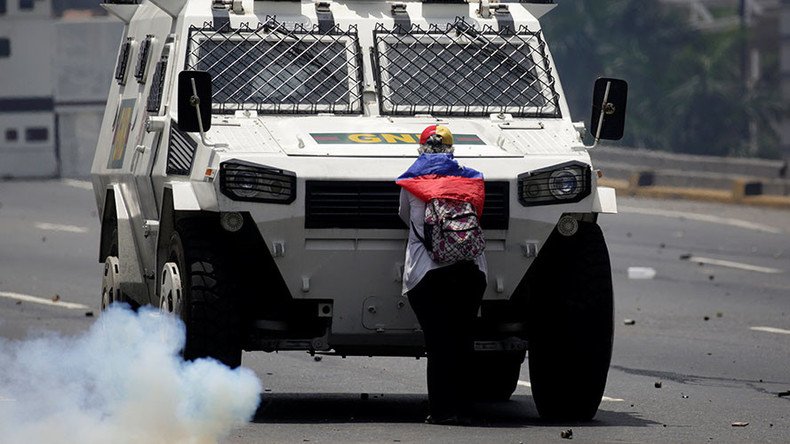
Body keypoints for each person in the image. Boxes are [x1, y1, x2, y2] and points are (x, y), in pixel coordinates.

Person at [396, 125, 488, 425]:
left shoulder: (411, 183)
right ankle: (466, 407)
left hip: (426, 273)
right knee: (463, 340)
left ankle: (442, 411)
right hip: (470, 270)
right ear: (452, 150)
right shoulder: (471, 180)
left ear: (421, 149)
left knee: (439, 345)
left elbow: (404, 217)